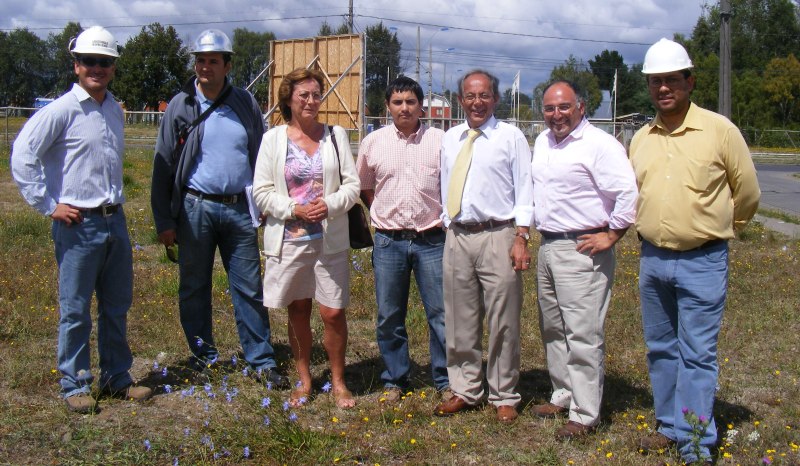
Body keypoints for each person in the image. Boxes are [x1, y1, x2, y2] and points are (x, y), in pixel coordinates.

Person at [631, 38, 760, 464]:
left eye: (671, 79)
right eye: (655, 81)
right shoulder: (641, 138)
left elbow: (748, 193)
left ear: (690, 81)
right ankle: (669, 426)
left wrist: (721, 230)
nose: (663, 88)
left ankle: (696, 442)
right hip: (652, 258)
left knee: (697, 353)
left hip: (703, 259)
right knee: (661, 347)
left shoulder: (720, 131)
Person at [11, 26, 152, 413]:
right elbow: (22, 156)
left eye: (105, 62)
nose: (97, 68)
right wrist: (48, 204)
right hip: (77, 224)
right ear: (76, 65)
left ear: (113, 67)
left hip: (114, 221)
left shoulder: (112, 109)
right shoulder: (60, 110)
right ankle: (74, 383)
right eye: (90, 61)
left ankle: (117, 377)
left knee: (116, 304)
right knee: (75, 310)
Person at [151, 29, 287, 388]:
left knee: (248, 287)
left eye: (213, 61)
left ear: (227, 65)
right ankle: (203, 357)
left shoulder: (244, 103)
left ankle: (261, 360)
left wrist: (266, 203)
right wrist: (164, 219)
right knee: (194, 286)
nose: (205, 67)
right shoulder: (181, 105)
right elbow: (162, 164)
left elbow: (261, 157)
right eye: (200, 60)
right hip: (195, 208)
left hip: (240, 209)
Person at [529, 80, 638, 439]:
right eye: (549, 108)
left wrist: (612, 234)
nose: (556, 114)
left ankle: (585, 413)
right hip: (548, 245)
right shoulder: (543, 141)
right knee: (554, 328)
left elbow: (626, 192)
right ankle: (563, 394)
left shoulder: (600, 145)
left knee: (583, 332)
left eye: (564, 107)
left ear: (581, 106)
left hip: (582, 248)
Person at [253, 67, 360, 409]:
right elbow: (261, 192)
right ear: (289, 99)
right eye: (305, 95)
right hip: (289, 239)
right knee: (298, 310)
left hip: (329, 239)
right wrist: (294, 210)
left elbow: (352, 186)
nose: (312, 101)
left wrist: (328, 205)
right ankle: (304, 379)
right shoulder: (273, 139)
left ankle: (339, 381)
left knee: (332, 312)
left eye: (317, 94)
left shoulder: (335, 136)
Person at [433, 69, 534, 424]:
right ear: (461, 99)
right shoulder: (451, 137)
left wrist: (521, 235)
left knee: (503, 319)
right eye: (470, 96)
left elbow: (525, 188)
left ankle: (504, 393)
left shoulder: (511, 137)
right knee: (460, 317)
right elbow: (447, 181)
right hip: (458, 236)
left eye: (484, 96)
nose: (477, 102)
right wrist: (448, 220)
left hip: (499, 235)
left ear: (495, 98)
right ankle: (465, 388)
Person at [356, 76, 449, 402]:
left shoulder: (441, 140)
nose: (404, 108)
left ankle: (445, 379)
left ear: (421, 105)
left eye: (410, 101)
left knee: (440, 313)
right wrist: (383, 212)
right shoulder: (373, 142)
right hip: (389, 242)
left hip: (432, 239)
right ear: (388, 106)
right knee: (389, 314)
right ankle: (395, 378)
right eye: (397, 102)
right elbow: (366, 187)